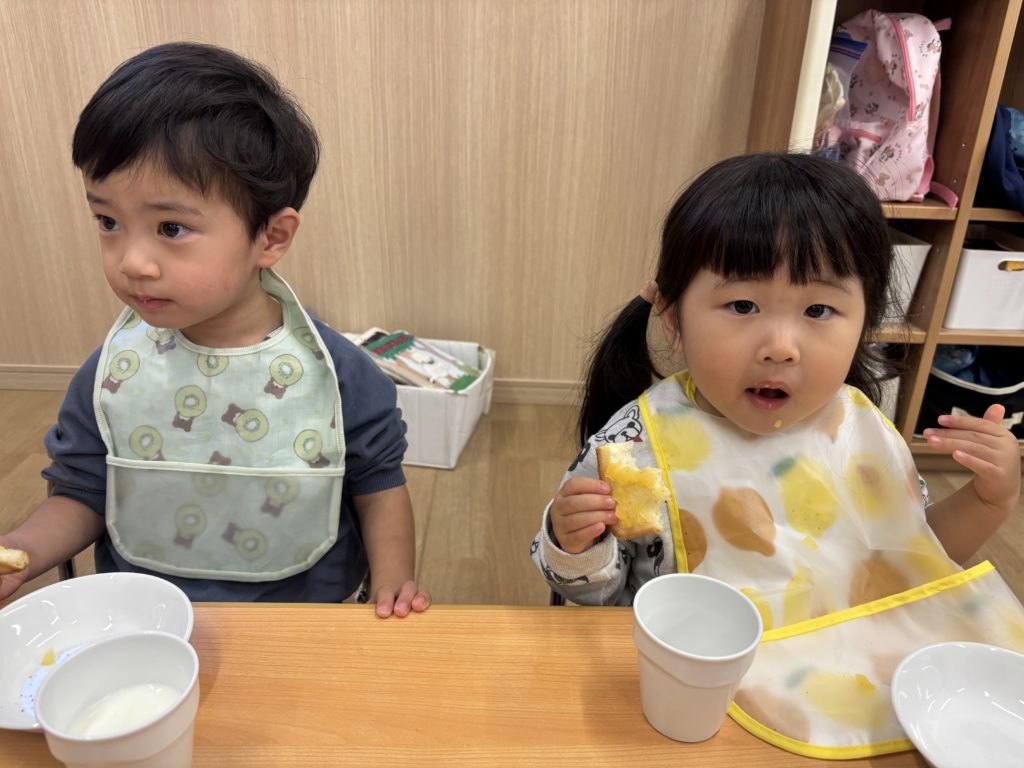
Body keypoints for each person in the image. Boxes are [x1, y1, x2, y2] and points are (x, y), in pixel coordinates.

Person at [531, 152, 1023, 756]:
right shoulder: (634, 445)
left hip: (884, 699)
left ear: (865, 321)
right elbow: (595, 609)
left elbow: (912, 559)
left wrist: (988, 500)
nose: (781, 347)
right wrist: (574, 544)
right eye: (743, 306)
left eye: (819, 310)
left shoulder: (859, 426)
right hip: (704, 710)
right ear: (673, 318)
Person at [0, 42, 430, 618]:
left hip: (305, 619)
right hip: (145, 618)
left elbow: (377, 485)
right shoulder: (110, 373)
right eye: (107, 221)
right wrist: (20, 551)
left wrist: (393, 585)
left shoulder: (337, 374)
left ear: (271, 237)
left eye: (170, 227)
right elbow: (82, 491)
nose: (132, 261)